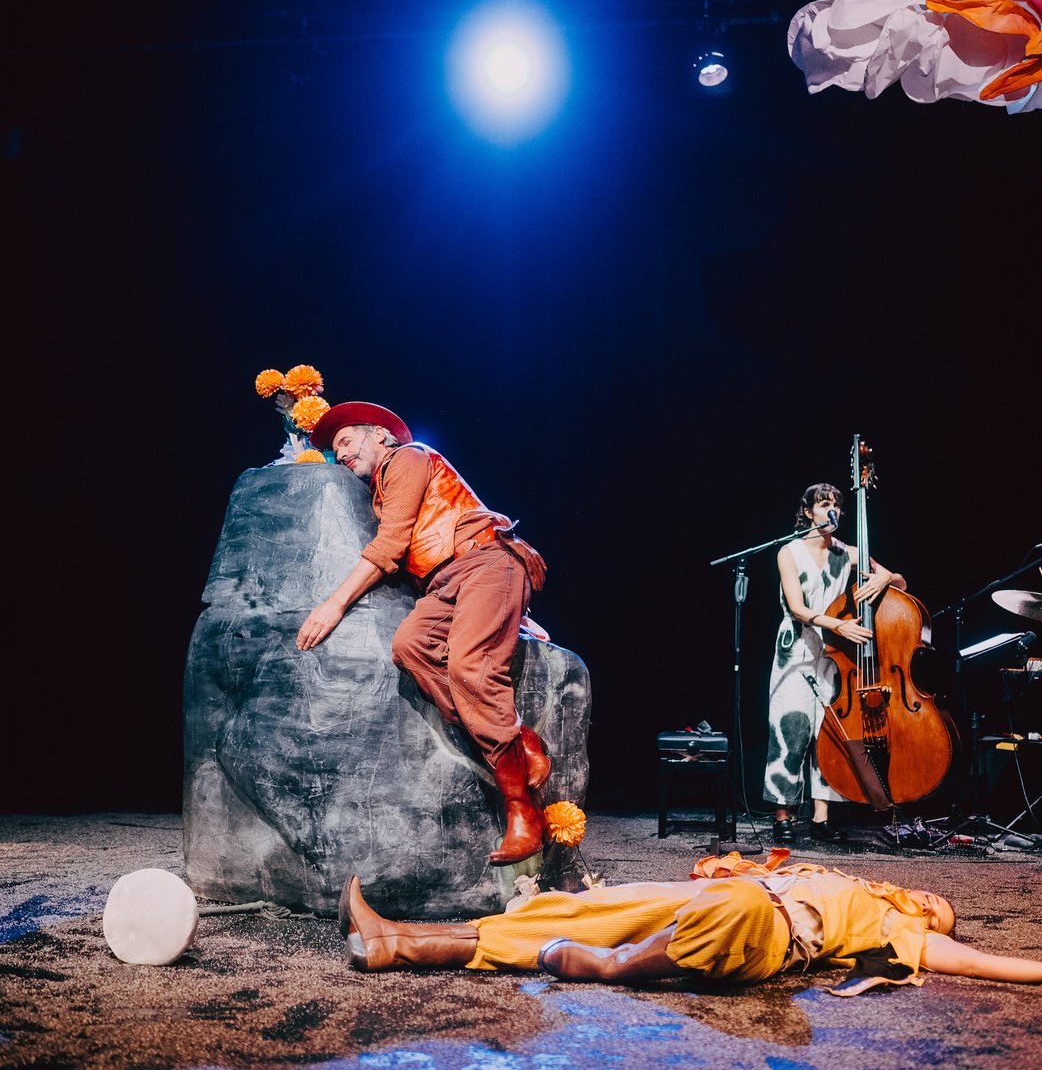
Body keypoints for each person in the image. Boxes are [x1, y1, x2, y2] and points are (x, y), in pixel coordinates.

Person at [299, 401, 549, 865]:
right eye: (336, 452)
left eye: (348, 443)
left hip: (484, 561)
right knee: (410, 645)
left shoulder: (408, 457)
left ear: (379, 435)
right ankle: (518, 740)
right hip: (444, 583)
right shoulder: (380, 484)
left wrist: (333, 604)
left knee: (470, 666)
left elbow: (391, 544)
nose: (343, 456)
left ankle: (522, 811)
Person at [338, 867, 1042, 995]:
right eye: (933, 895)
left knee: (731, 910)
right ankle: (396, 940)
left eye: (937, 908)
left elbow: (980, 962)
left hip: (769, 927)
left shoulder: (895, 926)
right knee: (562, 911)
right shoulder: (852, 878)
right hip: (730, 891)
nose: (929, 899)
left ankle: (613, 967)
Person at [763, 482, 906, 847]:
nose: (833, 511)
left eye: (837, 506)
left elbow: (900, 582)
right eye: (824, 504)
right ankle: (783, 816)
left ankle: (820, 818)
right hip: (795, 647)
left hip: (834, 652)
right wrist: (838, 624)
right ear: (809, 511)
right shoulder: (789, 552)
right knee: (790, 729)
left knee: (826, 735)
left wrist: (884, 577)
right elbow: (797, 607)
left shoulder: (848, 552)